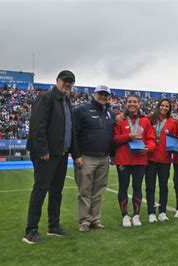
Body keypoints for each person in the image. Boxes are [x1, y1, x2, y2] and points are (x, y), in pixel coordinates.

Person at [23, 70, 76, 244]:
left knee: (56, 191)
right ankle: (31, 231)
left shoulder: (67, 101)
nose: (67, 84)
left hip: (61, 153)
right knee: (41, 190)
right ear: (57, 81)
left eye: (71, 82)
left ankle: (54, 225)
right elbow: (38, 125)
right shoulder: (46, 97)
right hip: (47, 154)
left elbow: (69, 129)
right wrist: (42, 150)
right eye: (65, 81)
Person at [72, 85, 115, 232]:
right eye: (100, 94)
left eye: (106, 94)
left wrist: (112, 155)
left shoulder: (110, 113)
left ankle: (95, 220)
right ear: (93, 95)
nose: (103, 97)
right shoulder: (81, 110)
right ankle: (84, 221)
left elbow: (113, 136)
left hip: (104, 157)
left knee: (98, 191)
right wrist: (76, 155)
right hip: (86, 157)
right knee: (84, 191)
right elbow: (74, 134)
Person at [113, 95, 155, 227]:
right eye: (130, 102)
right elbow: (115, 139)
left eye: (135, 102)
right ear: (125, 104)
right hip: (123, 159)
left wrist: (148, 148)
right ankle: (125, 216)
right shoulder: (120, 119)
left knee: (137, 187)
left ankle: (136, 216)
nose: (132, 104)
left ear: (139, 104)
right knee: (123, 187)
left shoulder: (145, 121)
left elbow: (151, 139)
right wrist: (128, 136)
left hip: (140, 159)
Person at [146, 98, 178, 223]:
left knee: (163, 186)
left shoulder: (172, 122)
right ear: (158, 106)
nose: (164, 108)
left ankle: (163, 212)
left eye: (167, 106)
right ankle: (151, 212)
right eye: (162, 105)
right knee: (150, 187)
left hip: (164, 159)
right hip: (150, 158)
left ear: (169, 109)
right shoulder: (149, 119)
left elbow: (174, 139)